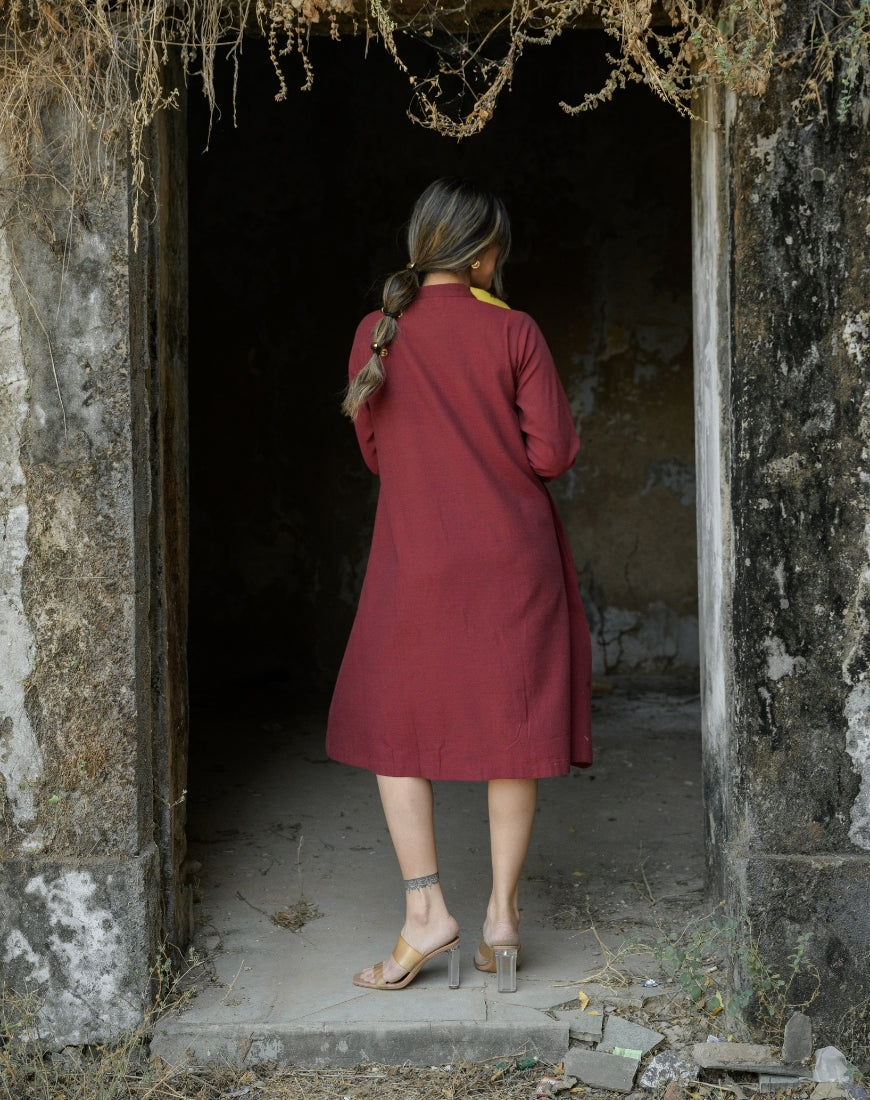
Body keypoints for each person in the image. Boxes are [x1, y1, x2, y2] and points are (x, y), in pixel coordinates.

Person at [326, 178, 592, 993]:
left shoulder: (379, 333)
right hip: (514, 558)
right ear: (485, 254)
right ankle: (502, 921)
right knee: (513, 725)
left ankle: (424, 911)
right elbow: (552, 456)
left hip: (419, 558)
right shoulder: (514, 330)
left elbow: (376, 452)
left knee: (393, 720)